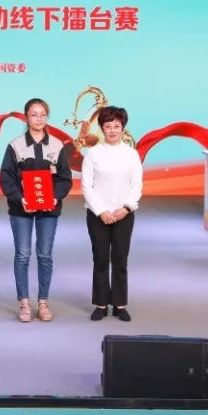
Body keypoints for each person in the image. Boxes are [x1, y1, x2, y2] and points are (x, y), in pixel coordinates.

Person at [0, 98, 73, 323]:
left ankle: (43, 302)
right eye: (34, 114)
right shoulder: (15, 145)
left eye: (43, 114)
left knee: (45, 255)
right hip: (21, 208)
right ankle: (24, 303)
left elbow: (65, 178)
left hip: (48, 209)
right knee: (22, 255)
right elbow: (6, 178)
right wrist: (20, 198)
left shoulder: (57, 145)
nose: (39, 118)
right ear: (26, 117)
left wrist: (54, 197)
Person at [82, 106, 143, 323]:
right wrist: (102, 212)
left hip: (123, 214)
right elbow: (86, 186)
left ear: (123, 128)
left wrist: (126, 208)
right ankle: (100, 304)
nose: (113, 130)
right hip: (97, 215)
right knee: (100, 259)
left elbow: (136, 184)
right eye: (108, 126)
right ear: (101, 128)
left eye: (117, 126)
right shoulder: (93, 153)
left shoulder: (131, 154)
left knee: (120, 259)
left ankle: (120, 304)